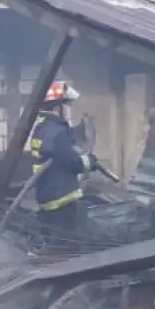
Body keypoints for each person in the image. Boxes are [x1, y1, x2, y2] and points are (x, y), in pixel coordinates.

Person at [29, 81, 99, 246]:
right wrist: (90, 161)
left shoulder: (41, 128)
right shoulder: (57, 132)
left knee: (52, 238)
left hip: (47, 195)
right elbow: (73, 164)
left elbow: (58, 156)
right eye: (66, 106)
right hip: (62, 198)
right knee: (66, 245)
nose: (68, 110)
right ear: (56, 108)